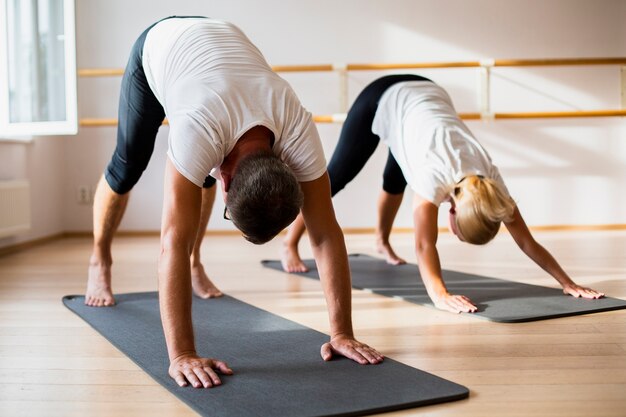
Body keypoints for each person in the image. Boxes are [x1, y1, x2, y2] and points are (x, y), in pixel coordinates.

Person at [87, 16, 383, 389]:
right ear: (226, 181)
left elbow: (324, 234)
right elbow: (170, 244)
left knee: (199, 178)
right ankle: (100, 257)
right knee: (127, 167)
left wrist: (341, 332)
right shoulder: (197, 129)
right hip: (160, 47)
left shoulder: (297, 131)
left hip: (219, 50)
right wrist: (182, 355)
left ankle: (197, 264)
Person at [281, 74, 605, 314]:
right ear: (451, 211)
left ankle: (381, 241)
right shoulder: (432, 176)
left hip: (425, 103)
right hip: (383, 96)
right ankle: (289, 244)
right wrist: (439, 294)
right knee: (333, 178)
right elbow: (425, 243)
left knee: (395, 178)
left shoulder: (490, 185)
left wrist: (567, 282)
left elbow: (526, 240)